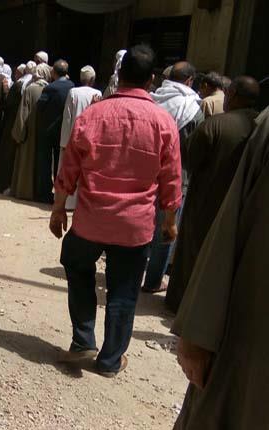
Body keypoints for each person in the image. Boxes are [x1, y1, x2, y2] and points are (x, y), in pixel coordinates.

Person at [50, 45, 181, 377]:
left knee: (75, 262)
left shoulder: (93, 115)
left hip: (90, 221)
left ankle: (83, 341)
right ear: (151, 81)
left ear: (119, 75)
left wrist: (58, 209)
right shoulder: (164, 123)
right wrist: (169, 221)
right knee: (123, 290)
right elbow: (171, 178)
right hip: (135, 227)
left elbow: (69, 168)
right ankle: (110, 360)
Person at [172, 105, 269, 429]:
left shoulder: (215, 125)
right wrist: (198, 332)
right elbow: (227, 234)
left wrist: (197, 331)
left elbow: (188, 159)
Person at [165, 76, 259, 313]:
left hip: (205, 203)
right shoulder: (260, 127)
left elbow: (188, 160)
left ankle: (180, 304)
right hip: (244, 207)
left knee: (192, 253)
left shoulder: (214, 125)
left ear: (233, 94)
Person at [143, 61, 204, 293]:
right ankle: (153, 281)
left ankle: (132, 273)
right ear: (189, 81)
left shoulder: (152, 99)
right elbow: (194, 150)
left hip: (145, 175)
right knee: (166, 230)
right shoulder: (192, 109)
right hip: (177, 179)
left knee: (142, 226)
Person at [35, 59, 74, 203]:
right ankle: (60, 192)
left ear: (53, 72)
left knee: (45, 162)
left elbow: (40, 107)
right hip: (63, 130)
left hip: (48, 130)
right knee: (60, 162)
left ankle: (45, 193)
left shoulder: (50, 88)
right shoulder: (72, 86)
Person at [10, 63, 52, 200]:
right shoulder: (50, 89)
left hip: (29, 133)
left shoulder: (30, 89)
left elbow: (22, 114)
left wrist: (19, 134)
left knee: (27, 162)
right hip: (44, 133)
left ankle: (25, 191)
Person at [0, 64, 25, 192]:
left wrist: (5, 91)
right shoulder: (24, 85)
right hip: (18, 125)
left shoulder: (17, 86)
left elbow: (8, 104)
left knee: (6, 155)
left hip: (10, 124)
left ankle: (2, 184)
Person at [60, 66, 102, 148]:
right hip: (90, 138)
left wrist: (64, 144)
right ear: (92, 79)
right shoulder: (98, 93)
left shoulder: (73, 92)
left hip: (74, 138)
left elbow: (67, 117)